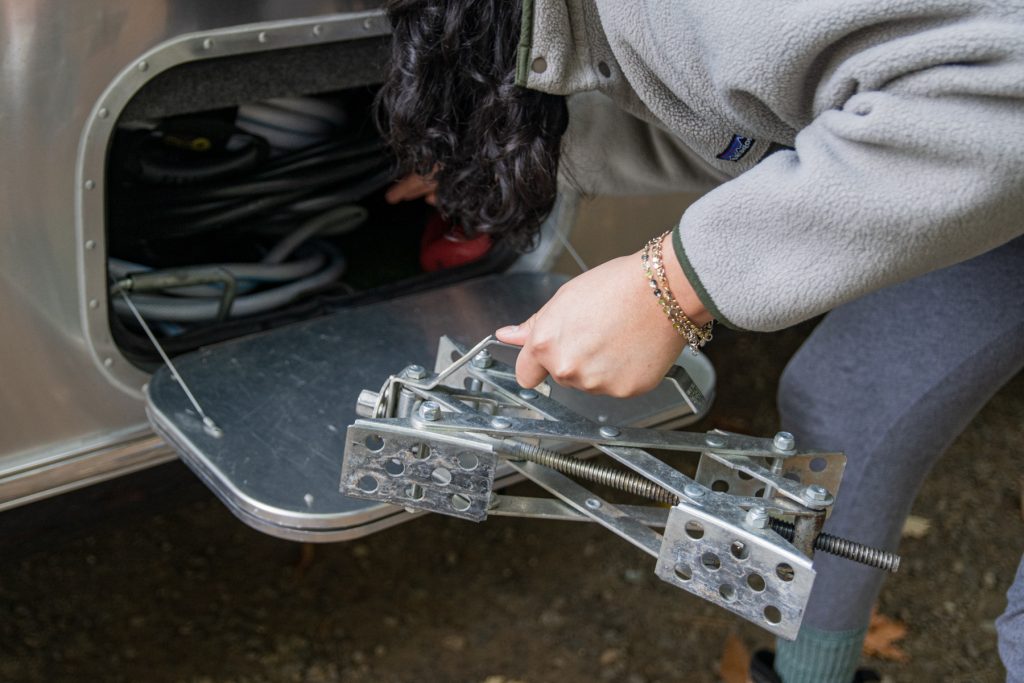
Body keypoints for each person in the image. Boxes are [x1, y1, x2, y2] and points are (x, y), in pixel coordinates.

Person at [378, 1, 1024, 680]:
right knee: (844, 405)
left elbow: (993, 97)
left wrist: (674, 284)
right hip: (989, 145)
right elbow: (744, 116)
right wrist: (501, 149)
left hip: (994, 117)